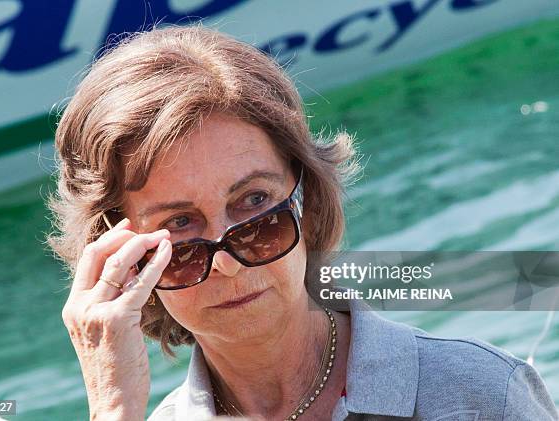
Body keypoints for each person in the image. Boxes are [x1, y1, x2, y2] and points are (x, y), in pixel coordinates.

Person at [48, 25, 558, 421]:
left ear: (307, 200)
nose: (228, 260)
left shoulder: (477, 392)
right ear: (120, 261)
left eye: (254, 203)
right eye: (179, 226)